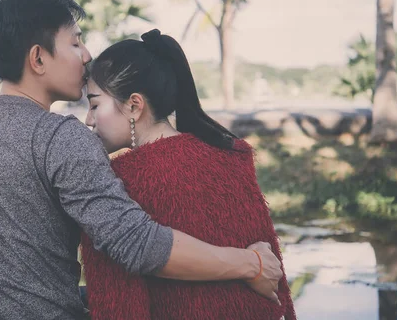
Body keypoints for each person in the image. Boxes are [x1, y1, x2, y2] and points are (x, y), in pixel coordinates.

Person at [0, 0, 283, 320]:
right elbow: (137, 244)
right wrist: (249, 263)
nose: (87, 55)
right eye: (76, 42)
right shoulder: (60, 137)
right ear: (38, 58)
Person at [82, 29, 295, 320]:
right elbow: (271, 273)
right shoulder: (230, 156)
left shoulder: (117, 184)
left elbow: (118, 304)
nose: (88, 120)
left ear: (134, 105)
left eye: (94, 105)